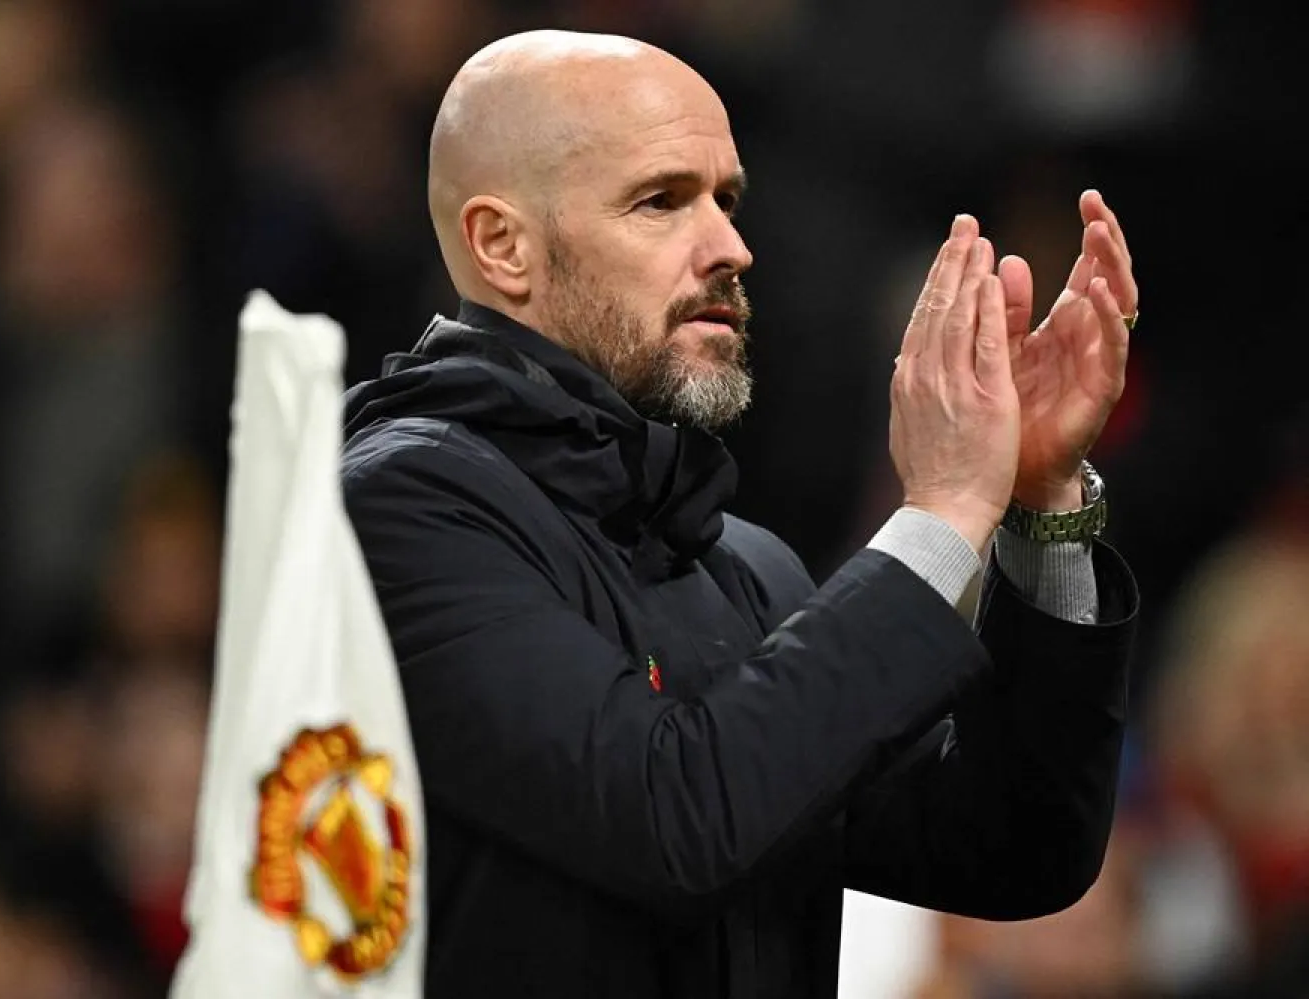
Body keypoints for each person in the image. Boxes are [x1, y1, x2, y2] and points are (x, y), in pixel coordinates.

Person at [340, 29, 1139, 998]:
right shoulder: (399, 510)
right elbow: (678, 821)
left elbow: (1016, 848)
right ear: (503, 245)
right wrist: (944, 510)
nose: (731, 247)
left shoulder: (745, 567)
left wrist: (1037, 504)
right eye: (662, 201)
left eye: (727, 199)